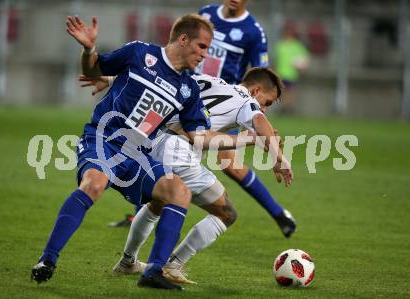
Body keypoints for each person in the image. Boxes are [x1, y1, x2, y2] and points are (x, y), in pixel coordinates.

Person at [31, 13, 259, 291]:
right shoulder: (140, 52)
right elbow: (94, 71)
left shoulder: (188, 89)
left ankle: (153, 270)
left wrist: (247, 139)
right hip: (103, 140)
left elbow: (200, 137)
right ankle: (47, 260)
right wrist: (89, 49)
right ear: (183, 39)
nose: (204, 55)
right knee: (94, 183)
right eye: (201, 46)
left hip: (138, 155)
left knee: (179, 192)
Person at [81, 67, 294, 284]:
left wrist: (110, 78)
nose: (265, 110)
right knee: (226, 213)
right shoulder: (246, 101)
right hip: (178, 150)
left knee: (158, 202)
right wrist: (279, 158)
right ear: (256, 90)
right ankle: (172, 265)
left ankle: (128, 262)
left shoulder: (210, 80)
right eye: (267, 103)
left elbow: (160, 79)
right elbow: (260, 122)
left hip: (154, 140)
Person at [111, 1, 294, 232]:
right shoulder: (207, 14)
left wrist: (254, 114)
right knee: (161, 148)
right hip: (191, 94)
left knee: (227, 164)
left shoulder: (253, 32)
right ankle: (146, 215)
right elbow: (181, 43)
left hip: (226, 105)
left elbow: (262, 78)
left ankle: (278, 214)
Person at [196, 0, 269, 84]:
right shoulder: (205, 13)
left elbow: (261, 74)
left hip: (224, 94)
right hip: (192, 86)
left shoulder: (255, 32)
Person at [274, 21, 309, 114]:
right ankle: (282, 109)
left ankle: (289, 109)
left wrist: (303, 66)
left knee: (291, 93)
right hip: (281, 73)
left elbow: (303, 59)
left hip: (292, 74)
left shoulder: (297, 46)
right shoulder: (280, 45)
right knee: (281, 93)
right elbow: (276, 59)